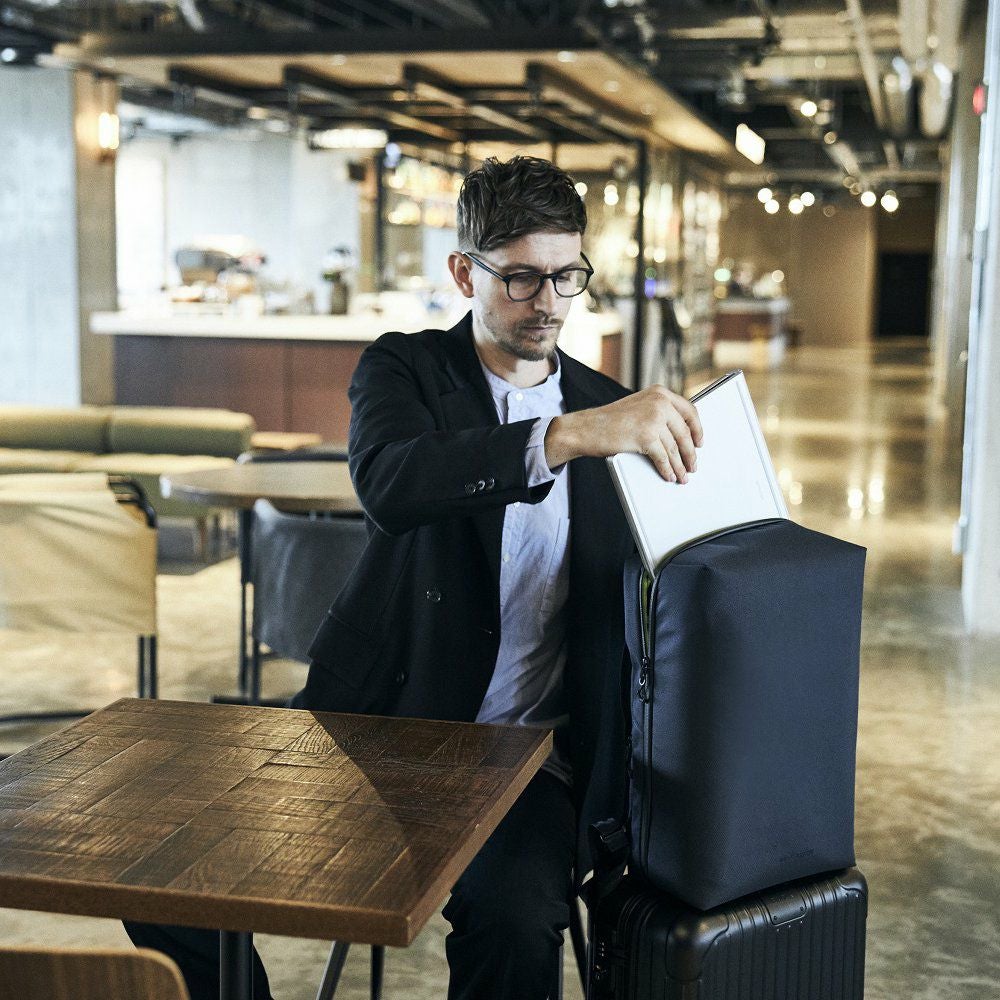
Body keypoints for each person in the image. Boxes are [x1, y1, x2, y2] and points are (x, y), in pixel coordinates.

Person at [125, 155, 701, 1000]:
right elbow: (393, 484)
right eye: (521, 278)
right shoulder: (407, 371)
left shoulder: (612, 409)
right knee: (161, 862)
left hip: (532, 759)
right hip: (374, 729)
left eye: (565, 276)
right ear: (464, 272)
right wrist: (567, 436)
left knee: (513, 920)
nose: (548, 302)